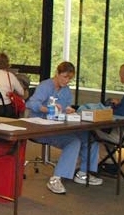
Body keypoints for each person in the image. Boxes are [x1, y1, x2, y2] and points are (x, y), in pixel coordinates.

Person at [26, 61, 103, 194]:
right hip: (41, 126)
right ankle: (55, 179)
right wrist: (47, 109)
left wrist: (68, 110)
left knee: (90, 138)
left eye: (69, 78)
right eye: (64, 77)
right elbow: (31, 103)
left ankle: (83, 173)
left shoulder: (66, 90)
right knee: (73, 142)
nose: (66, 81)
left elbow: (66, 106)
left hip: (60, 125)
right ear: (57, 73)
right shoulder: (45, 86)